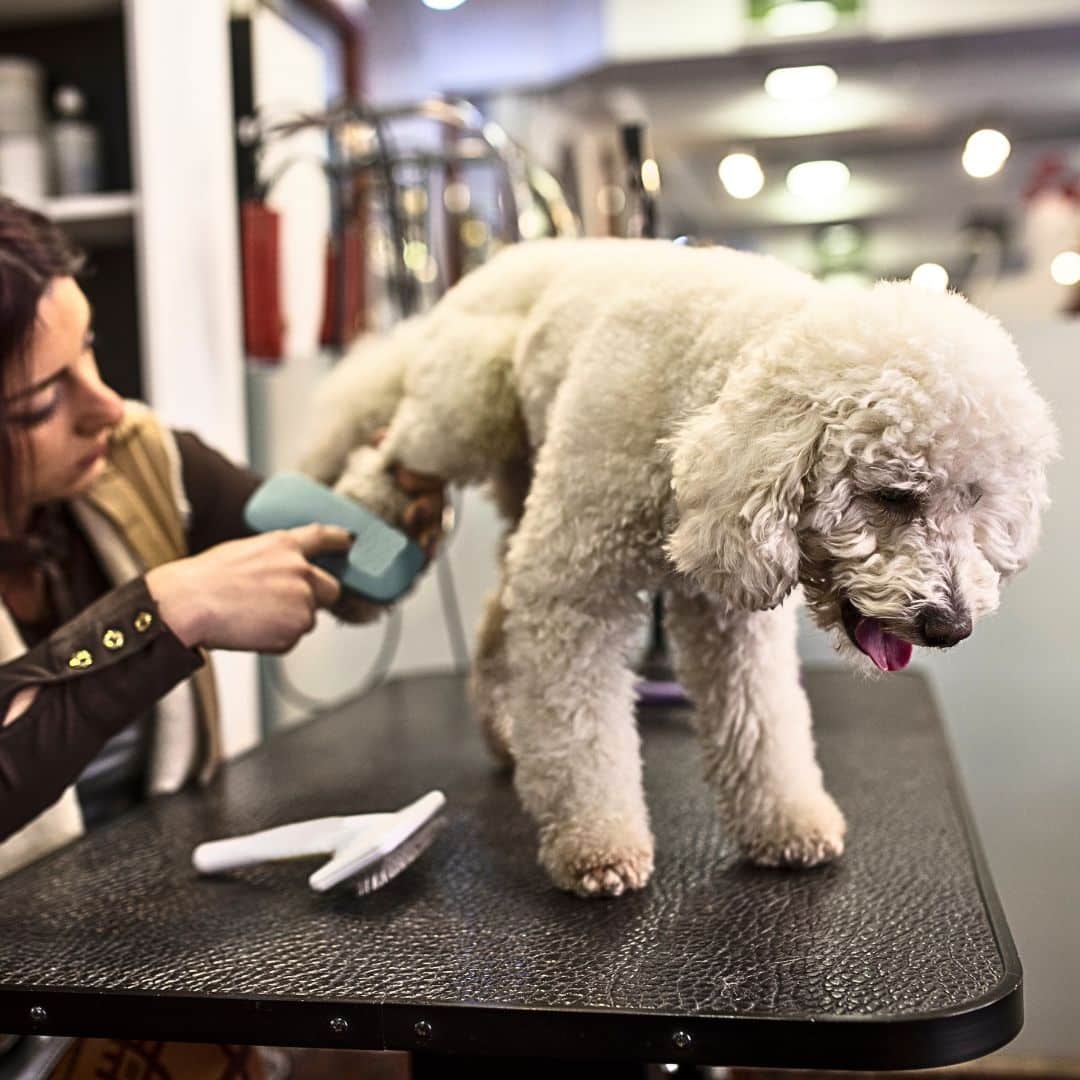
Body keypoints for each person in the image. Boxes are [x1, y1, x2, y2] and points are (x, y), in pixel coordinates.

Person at [0, 194, 444, 866]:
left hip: (138, 899)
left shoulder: (140, 460)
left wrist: (395, 491)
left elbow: (349, 567)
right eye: (40, 403)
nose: (106, 405)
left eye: (88, 348)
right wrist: (164, 612)